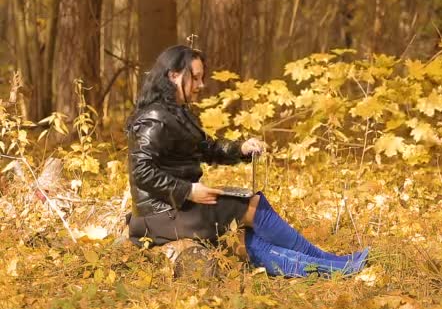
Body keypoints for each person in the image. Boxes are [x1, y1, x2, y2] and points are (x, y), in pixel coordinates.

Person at [125, 45, 368, 277]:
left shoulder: (176, 112)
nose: (201, 84)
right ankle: (334, 265)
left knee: (246, 234)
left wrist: (240, 148)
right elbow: (141, 172)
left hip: (174, 208)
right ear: (174, 75)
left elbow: (205, 149)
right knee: (251, 205)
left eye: (201, 78)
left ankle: (330, 265)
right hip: (159, 215)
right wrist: (187, 190)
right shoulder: (155, 117)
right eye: (196, 78)